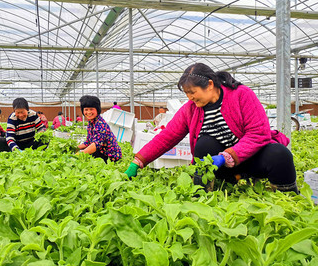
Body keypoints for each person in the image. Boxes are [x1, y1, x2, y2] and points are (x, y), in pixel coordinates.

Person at [124, 63, 298, 194]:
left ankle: (287, 197)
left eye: (192, 92)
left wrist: (227, 156)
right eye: (187, 94)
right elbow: (168, 136)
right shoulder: (191, 109)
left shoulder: (241, 95)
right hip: (223, 168)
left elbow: (258, 133)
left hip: (251, 159)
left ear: (209, 84)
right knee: (204, 145)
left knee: (279, 154)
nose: (190, 98)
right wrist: (139, 161)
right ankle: (203, 194)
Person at [77, 95, 122, 163]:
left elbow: (96, 145)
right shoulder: (91, 123)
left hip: (110, 157)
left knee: (87, 159)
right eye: (86, 109)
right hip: (101, 152)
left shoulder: (100, 124)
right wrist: (75, 148)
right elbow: (88, 142)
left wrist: (80, 154)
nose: (89, 112)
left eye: (91, 109)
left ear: (97, 110)